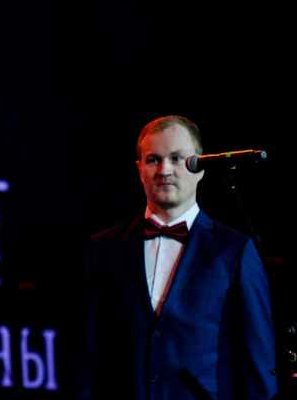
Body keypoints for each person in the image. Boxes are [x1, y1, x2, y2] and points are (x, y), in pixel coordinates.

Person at [76, 115, 277, 399]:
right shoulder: (105, 247)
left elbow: (258, 363)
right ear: (140, 169)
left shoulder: (236, 249)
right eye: (153, 160)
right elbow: (87, 353)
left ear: (200, 167)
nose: (164, 170)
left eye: (177, 158)